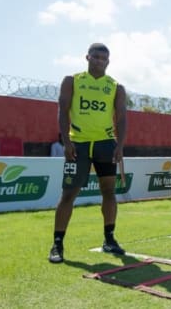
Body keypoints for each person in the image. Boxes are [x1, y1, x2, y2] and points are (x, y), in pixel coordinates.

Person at [48, 43, 127, 263]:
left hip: (105, 145)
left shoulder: (115, 87)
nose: (99, 61)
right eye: (95, 57)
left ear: (108, 62)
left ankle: (109, 239)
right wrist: (67, 141)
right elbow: (62, 111)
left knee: (109, 192)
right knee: (68, 194)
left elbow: (121, 118)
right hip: (79, 145)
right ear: (87, 57)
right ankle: (57, 243)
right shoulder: (72, 81)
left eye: (103, 58)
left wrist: (119, 146)